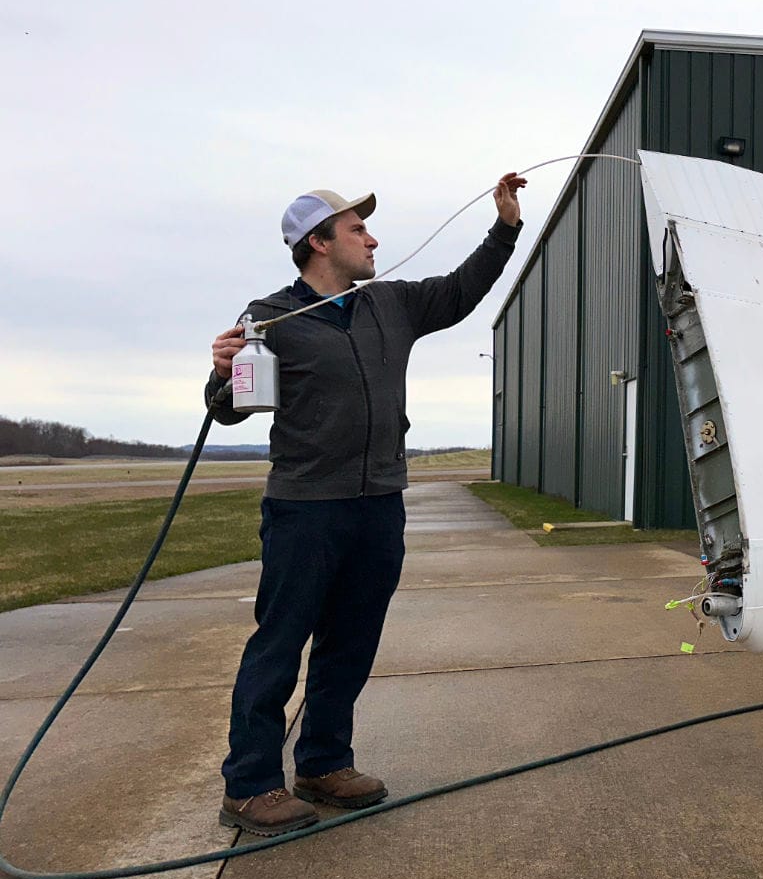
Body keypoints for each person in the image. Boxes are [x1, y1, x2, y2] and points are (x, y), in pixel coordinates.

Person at [205, 172, 525, 835]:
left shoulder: (391, 304)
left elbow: (463, 290)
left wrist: (505, 227)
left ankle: (323, 762)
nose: (371, 238)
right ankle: (249, 783)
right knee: (280, 643)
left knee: (350, 643)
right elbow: (233, 410)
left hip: (379, 504)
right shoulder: (269, 317)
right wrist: (222, 372)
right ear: (318, 243)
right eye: (357, 228)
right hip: (305, 510)